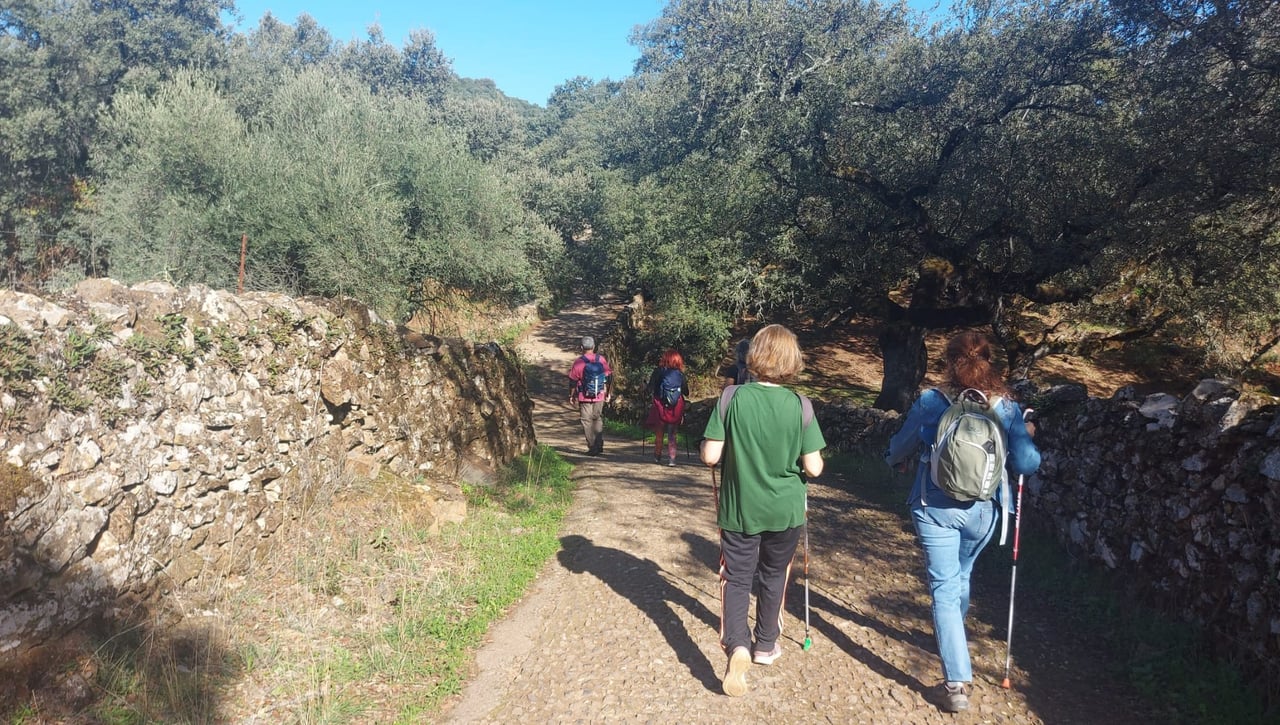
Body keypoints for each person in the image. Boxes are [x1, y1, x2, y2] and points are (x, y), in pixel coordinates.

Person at [884, 331, 1040, 713]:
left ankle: (956, 683)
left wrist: (896, 458)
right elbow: (1028, 464)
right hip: (984, 512)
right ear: (989, 361)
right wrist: (1028, 432)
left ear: (948, 361)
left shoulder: (932, 400)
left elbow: (900, 446)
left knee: (943, 588)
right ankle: (952, 641)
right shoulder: (1005, 407)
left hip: (934, 506)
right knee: (959, 579)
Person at [701, 324, 826, 697]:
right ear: (792, 362)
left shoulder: (730, 398)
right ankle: (766, 645)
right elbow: (815, 467)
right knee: (774, 575)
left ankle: (736, 644)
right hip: (785, 512)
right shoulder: (801, 406)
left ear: (753, 358)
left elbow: (710, 455)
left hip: (741, 509)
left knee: (737, 577)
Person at [568, 336, 612, 456]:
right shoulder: (601, 359)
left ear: (581, 348)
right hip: (599, 395)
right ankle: (599, 444)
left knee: (586, 421)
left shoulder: (579, 362)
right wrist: (607, 393)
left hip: (584, 395)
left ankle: (592, 446)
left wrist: (572, 396)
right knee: (597, 418)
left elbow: (573, 381)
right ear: (593, 347)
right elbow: (608, 378)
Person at [645, 348, 689, 466]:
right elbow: (686, 392)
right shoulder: (680, 374)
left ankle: (657, 456)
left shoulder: (658, 371)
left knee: (659, 432)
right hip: (676, 406)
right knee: (672, 433)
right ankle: (672, 459)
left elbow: (650, 388)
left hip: (660, 405)